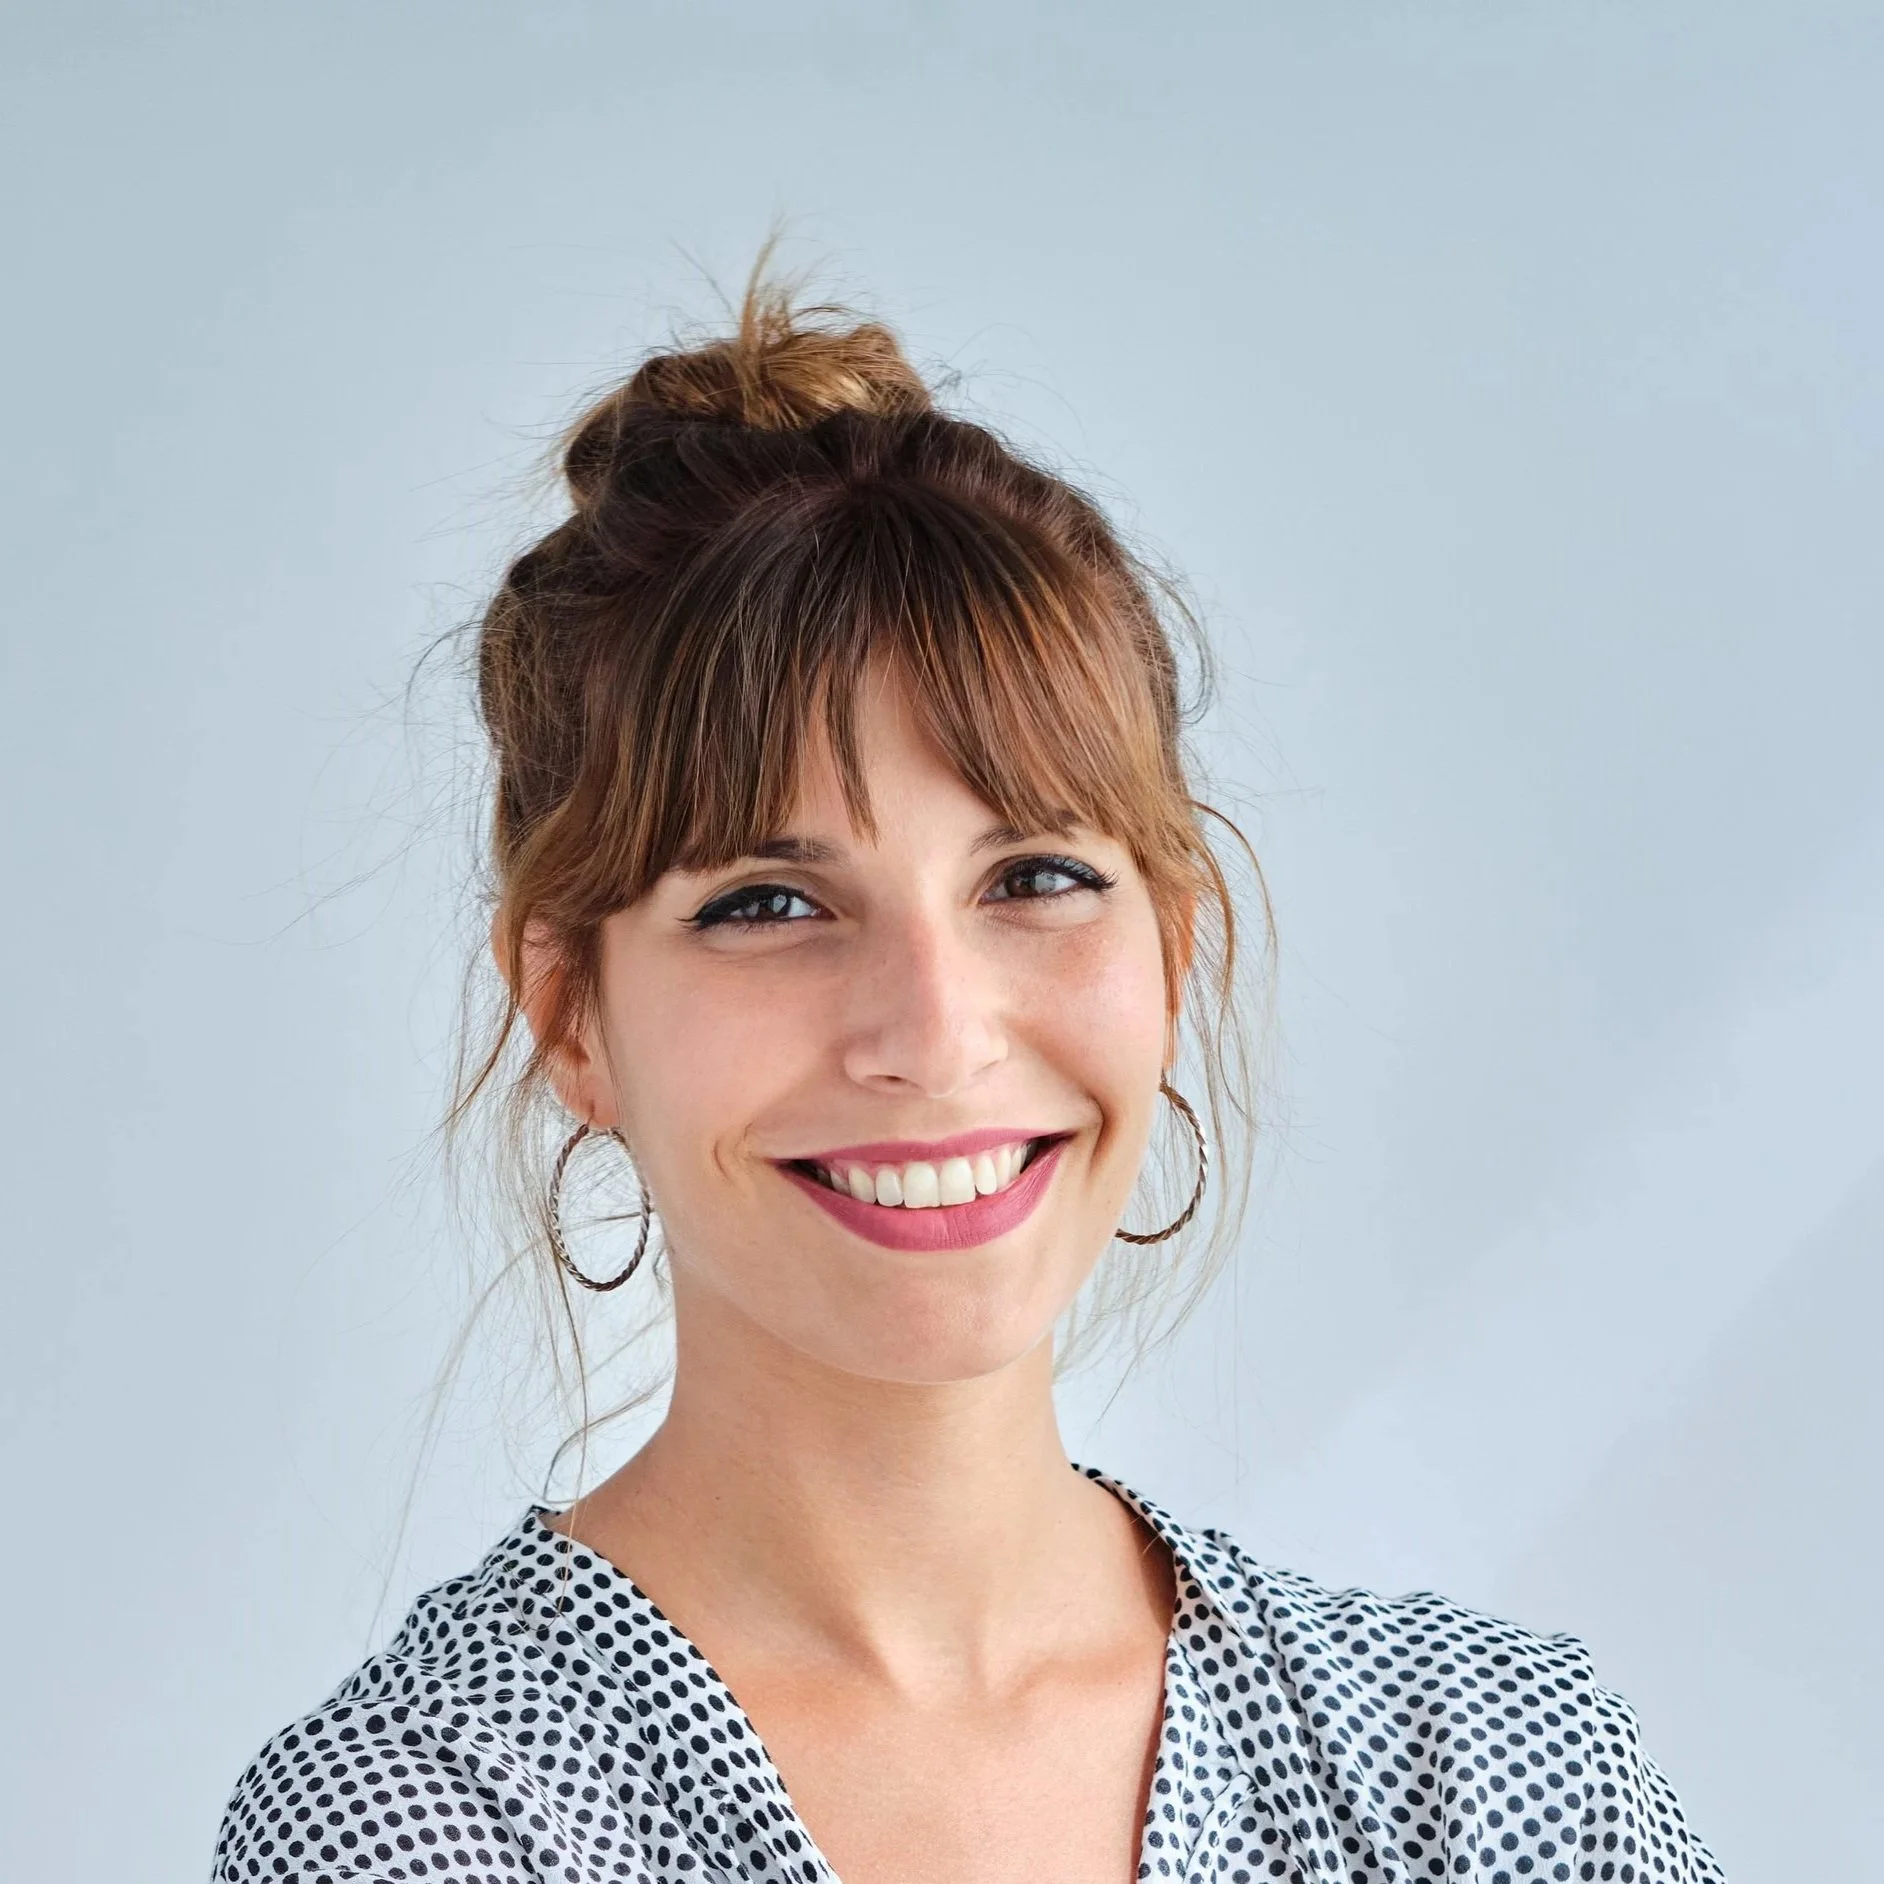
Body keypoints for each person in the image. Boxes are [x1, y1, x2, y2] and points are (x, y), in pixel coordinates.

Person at [213, 275, 1723, 1884]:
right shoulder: (421, 1826)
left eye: (1037, 880)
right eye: (769, 905)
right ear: (572, 1016)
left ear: (1175, 946)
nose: (935, 1033)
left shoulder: (1501, 1775)